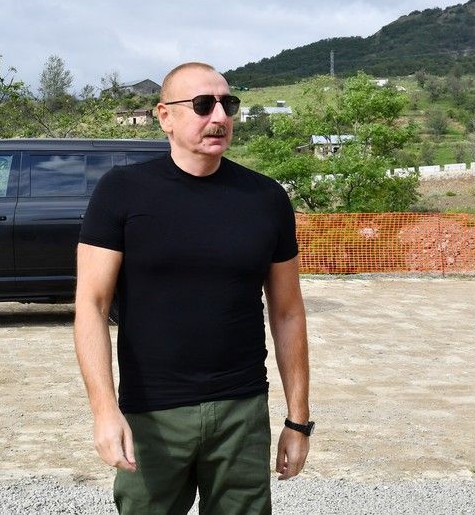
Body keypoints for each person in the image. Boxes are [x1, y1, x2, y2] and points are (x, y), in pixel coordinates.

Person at [73, 62, 311, 514]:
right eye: (203, 105)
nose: (219, 117)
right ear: (165, 116)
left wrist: (298, 421)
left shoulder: (266, 199)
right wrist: (104, 411)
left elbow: (287, 312)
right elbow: (91, 304)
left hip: (242, 410)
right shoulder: (121, 191)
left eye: (227, 104)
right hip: (152, 412)